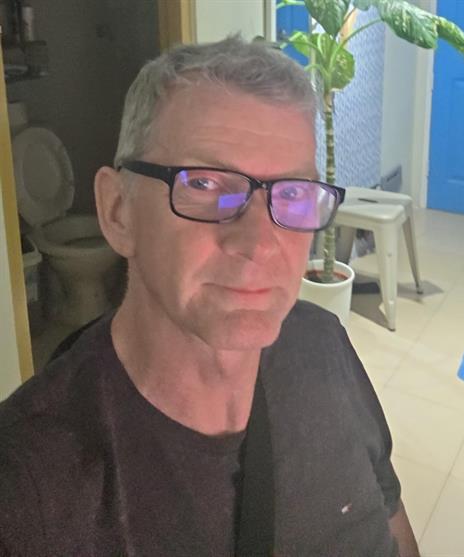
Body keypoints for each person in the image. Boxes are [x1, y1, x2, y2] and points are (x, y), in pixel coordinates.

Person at [0, 36, 420, 556]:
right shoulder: (30, 486)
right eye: (204, 184)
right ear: (117, 211)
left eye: (292, 192)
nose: (259, 243)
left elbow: (392, 518)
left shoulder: (322, 342)